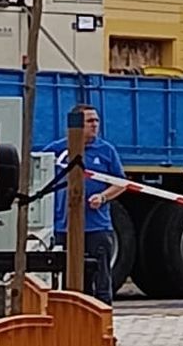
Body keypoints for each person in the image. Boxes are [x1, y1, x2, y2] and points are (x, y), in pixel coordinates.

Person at [44, 107, 127, 305]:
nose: (95, 125)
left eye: (96, 120)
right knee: (67, 277)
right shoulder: (57, 150)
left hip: (97, 226)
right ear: (76, 124)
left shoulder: (106, 150)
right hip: (63, 226)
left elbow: (121, 183)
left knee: (101, 277)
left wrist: (103, 197)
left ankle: (102, 315)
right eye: (89, 121)